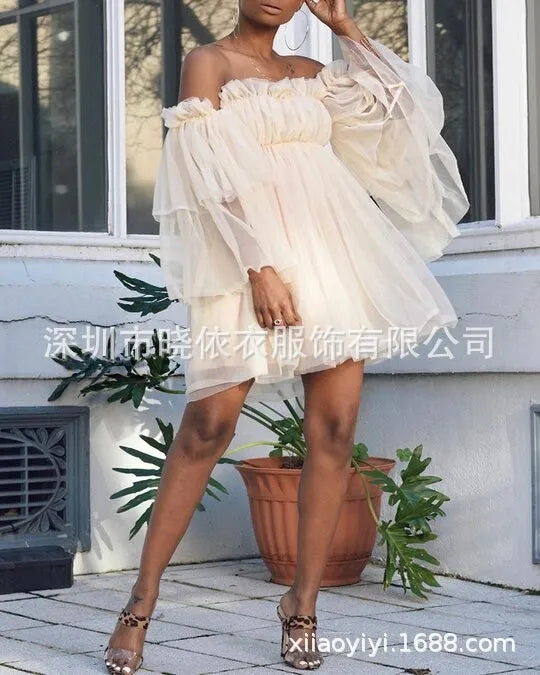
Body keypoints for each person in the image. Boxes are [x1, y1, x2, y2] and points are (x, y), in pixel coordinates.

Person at [104, 0, 469, 672]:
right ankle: (139, 602)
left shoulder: (311, 70)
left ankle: (302, 605)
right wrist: (259, 267)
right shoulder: (208, 62)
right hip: (246, 263)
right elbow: (204, 173)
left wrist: (347, 29)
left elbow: (404, 108)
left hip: (332, 258)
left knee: (334, 430)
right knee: (208, 425)